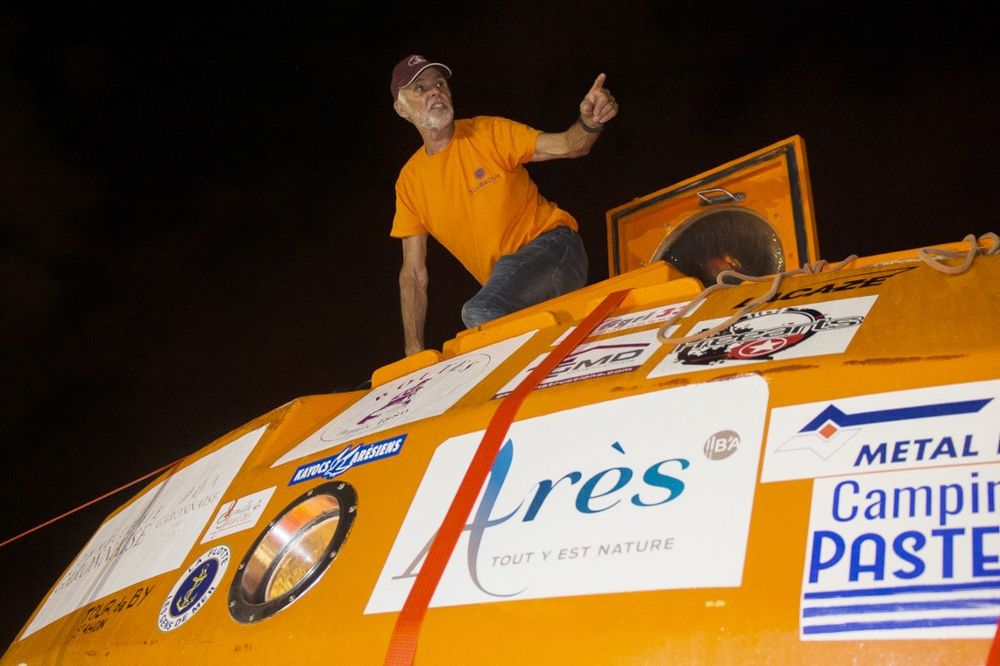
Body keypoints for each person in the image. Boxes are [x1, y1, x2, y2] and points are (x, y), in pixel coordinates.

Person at [389, 54, 619, 356]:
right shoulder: (410, 181)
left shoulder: (486, 133)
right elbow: (414, 273)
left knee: (480, 310)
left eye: (440, 84)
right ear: (401, 108)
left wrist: (589, 123)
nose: (435, 92)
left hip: (554, 250)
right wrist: (414, 350)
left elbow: (568, 145)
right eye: (420, 88)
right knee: (487, 324)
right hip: (513, 289)